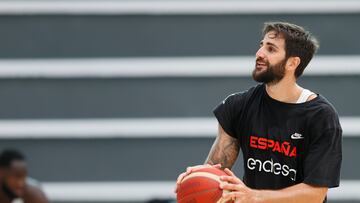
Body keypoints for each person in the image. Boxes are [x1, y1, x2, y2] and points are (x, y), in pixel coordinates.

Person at [175, 22, 342, 203]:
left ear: (292, 63)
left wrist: (253, 196)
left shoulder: (321, 116)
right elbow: (217, 170)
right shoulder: (238, 105)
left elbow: (314, 195)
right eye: (261, 46)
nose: (259, 53)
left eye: (271, 49)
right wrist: (197, 177)